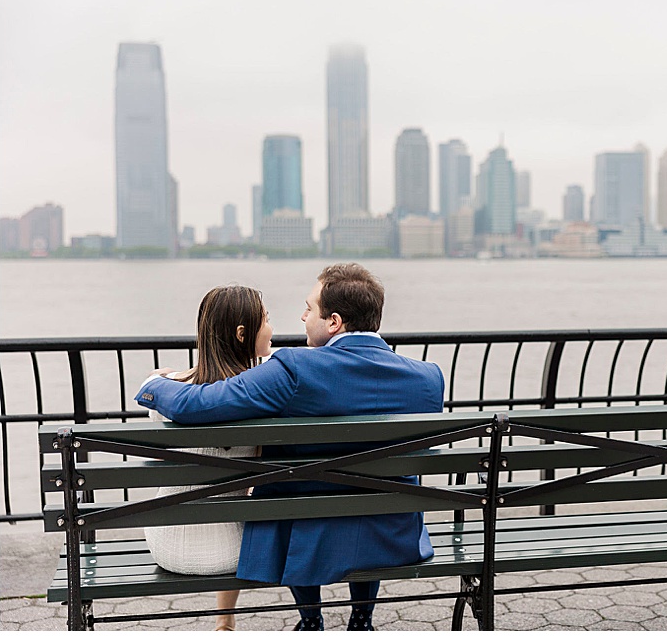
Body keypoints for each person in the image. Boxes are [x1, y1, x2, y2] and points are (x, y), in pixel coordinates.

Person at [138, 263, 443, 631]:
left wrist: (153, 384)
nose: (302, 316)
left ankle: (310, 620)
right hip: (394, 535)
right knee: (364, 493)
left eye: (308, 308)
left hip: (307, 535)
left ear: (333, 322)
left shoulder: (294, 369)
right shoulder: (428, 379)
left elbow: (198, 405)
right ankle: (361, 619)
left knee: (296, 493)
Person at [144, 284, 274, 631]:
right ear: (242, 333)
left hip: (164, 543)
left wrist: (165, 376)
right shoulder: (261, 399)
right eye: (266, 320)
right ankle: (225, 618)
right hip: (232, 554)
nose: (272, 328)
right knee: (236, 511)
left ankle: (225, 620)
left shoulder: (165, 392)